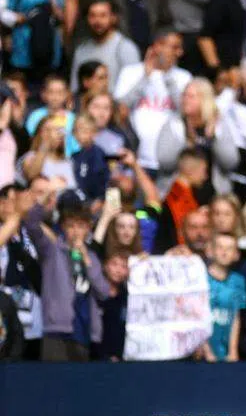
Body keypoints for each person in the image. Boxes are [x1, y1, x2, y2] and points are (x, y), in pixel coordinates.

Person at [25, 189, 110, 361]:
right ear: (63, 227)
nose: (76, 231)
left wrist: (86, 259)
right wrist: (45, 197)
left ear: (88, 228)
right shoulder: (52, 251)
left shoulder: (91, 257)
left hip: (85, 331)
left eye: (81, 226)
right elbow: (31, 224)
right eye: (71, 226)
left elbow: (103, 292)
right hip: (57, 331)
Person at [113, 31, 191, 173]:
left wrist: (167, 76)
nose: (180, 52)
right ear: (158, 46)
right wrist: (145, 77)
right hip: (135, 159)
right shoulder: (131, 72)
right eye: (174, 47)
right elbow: (119, 111)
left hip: (171, 161)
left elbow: (185, 113)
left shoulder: (184, 77)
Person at [69, 0, 140, 95]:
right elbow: (74, 87)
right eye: (93, 15)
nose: (97, 21)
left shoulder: (126, 48)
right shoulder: (81, 49)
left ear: (113, 18)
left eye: (103, 15)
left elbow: (135, 88)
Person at [203, 232, 246, 362]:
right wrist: (206, 351)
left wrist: (233, 351)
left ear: (236, 255)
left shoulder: (238, 281)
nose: (224, 252)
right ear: (210, 251)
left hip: (226, 352)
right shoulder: (200, 278)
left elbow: (235, 317)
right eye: (220, 247)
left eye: (229, 248)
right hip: (202, 352)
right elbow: (194, 317)